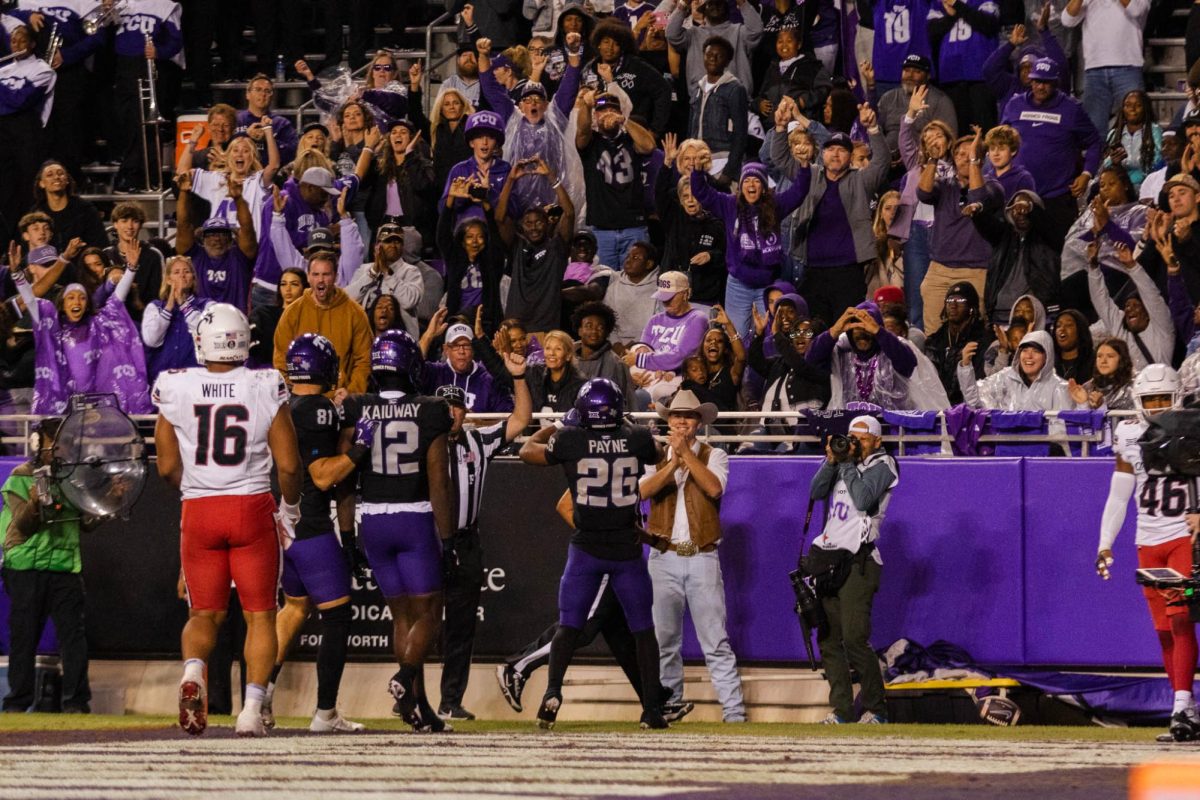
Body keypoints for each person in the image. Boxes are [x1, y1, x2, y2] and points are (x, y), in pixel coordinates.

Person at [152, 303, 303, 737]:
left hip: (199, 509)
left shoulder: (177, 386)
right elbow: (289, 466)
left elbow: (165, 466)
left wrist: (198, 485)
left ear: (203, 341)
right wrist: (289, 511)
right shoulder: (263, 383)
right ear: (245, 339)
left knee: (203, 613)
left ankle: (193, 670)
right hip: (251, 506)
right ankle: (251, 710)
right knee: (260, 615)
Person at [518, 377, 668, 729]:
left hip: (586, 547)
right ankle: (651, 709)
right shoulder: (636, 438)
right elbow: (658, 453)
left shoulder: (571, 440)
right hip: (626, 550)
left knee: (568, 627)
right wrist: (626, 425)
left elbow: (527, 451)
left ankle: (552, 691)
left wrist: (558, 424)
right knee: (643, 630)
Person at [339, 330, 454, 732]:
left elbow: (345, 476)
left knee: (401, 615)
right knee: (431, 614)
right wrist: (450, 536)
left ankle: (416, 709)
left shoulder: (357, 406)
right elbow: (439, 480)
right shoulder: (430, 409)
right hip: (414, 517)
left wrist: (349, 536)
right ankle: (405, 679)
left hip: (372, 518)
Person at [262, 334, 369, 734]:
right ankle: (325, 713)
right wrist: (359, 448)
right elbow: (322, 476)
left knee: (292, 608)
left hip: (280, 529)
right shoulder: (319, 410)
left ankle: (261, 697)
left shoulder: (281, 405)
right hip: (308, 525)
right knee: (338, 617)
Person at [1095, 365, 1200, 743]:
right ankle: (1185, 709)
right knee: (1162, 631)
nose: (1156, 407)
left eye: (1163, 399)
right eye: (1150, 400)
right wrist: (1105, 542)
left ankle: (1180, 708)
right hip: (1147, 540)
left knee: (1180, 621)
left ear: (1178, 397)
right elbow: (1119, 493)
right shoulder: (1128, 434)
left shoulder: (1193, 428)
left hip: (1181, 538)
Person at [434, 351, 532, 721]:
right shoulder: (421, 442)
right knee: (421, 620)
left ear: (465, 411)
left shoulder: (478, 441)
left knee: (460, 625)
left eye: (457, 407)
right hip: (428, 542)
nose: (451, 413)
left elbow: (521, 419)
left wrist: (518, 378)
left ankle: (449, 700)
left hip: (465, 541)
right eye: (445, 406)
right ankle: (408, 690)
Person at [639, 389, 745, 722]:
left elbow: (714, 488)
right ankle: (670, 707)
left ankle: (734, 714)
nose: (682, 421)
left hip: (701, 556)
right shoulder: (653, 456)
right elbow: (642, 492)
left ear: (698, 422)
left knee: (715, 640)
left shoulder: (715, 455)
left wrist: (687, 455)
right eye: (676, 416)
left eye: (688, 416)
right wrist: (673, 462)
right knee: (664, 640)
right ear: (668, 420)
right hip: (663, 556)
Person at [0, 417, 109, 713]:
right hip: (24, 567)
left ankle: (76, 703)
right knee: (24, 637)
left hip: (64, 566)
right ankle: (16, 702)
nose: (62, 449)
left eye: (66, 443)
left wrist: (107, 503)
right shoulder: (19, 478)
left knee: (73, 638)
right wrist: (35, 503)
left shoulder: (74, 479)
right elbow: (23, 525)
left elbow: (86, 523)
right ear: (39, 445)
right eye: (56, 443)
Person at [807, 414, 897, 725]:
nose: (854, 443)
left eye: (861, 438)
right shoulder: (844, 462)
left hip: (860, 560)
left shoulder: (884, 465)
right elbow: (816, 491)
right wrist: (832, 461)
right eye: (850, 436)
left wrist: (845, 462)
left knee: (855, 637)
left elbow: (862, 497)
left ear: (877, 440)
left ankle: (877, 710)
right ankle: (842, 710)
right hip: (829, 557)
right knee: (829, 639)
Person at [13, 258, 150, 416]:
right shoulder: (53, 326)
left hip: (98, 404)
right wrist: (18, 274)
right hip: (64, 406)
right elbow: (30, 301)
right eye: (71, 297)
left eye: (82, 297)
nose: (76, 301)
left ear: (87, 304)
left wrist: (131, 268)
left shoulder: (98, 324)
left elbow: (118, 298)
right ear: (63, 303)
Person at [1000, 58, 1102, 248]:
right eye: (1037, 81)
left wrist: (1087, 174)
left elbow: (1094, 142)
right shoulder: (1014, 105)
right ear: (1030, 81)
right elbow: (1000, 141)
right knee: (1015, 254)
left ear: (1055, 83)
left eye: (1046, 82)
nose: (1040, 87)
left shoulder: (1071, 109)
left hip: (1057, 197)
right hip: (1018, 195)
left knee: (1056, 255)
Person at [575, 90, 657, 270]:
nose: (608, 114)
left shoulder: (630, 139)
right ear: (595, 116)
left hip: (634, 227)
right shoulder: (591, 142)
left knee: (636, 281)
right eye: (602, 110)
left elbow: (649, 146)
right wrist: (586, 106)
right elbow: (581, 131)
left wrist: (625, 121)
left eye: (613, 110)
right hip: (601, 230)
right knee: (603, 284)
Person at [272, 253, 375, 394]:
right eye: (315, 274)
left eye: (326, 274)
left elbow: (364, 360)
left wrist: (351, 393)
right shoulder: (292, 313)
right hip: (302, 400)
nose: (321, 280)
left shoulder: (355, 313)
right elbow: (281, 360)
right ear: (308, 277)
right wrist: (296, 392)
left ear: (336, 277)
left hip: (341, 402)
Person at [1060, 0, 1148, 137]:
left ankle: (1138, 158)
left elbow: (1136, 10)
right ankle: (1099, 159)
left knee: (1137, 125)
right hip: (1094, 69)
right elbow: (1067, 20)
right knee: (1094, 132)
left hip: (1128, 65)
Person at [142, 256, 213, 383]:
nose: (182, 276)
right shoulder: (155, 307)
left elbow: (207, 333)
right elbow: (151, 340)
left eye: (186, 271)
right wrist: (169, 307)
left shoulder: (207, 305)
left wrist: (183, 304)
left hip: (196, 380)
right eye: (176, 272)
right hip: (163, 382)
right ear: (168, 280)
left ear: (193, 278)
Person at [572, 301, 637, 409]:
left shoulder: (617, 364)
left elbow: (629, 405)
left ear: (607, 332)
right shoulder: (567, 359)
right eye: (588, 326)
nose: (594, 331)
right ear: (579, 330)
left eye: (600, 327)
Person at [1067, 337, 1134, 410]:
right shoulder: (1087, 388)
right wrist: (1083, 404)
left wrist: (1101, 407)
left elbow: (1133, 419)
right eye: (1099, 356)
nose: (1103, 361)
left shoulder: (1133, 388)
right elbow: (1080, 420)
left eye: (1110, 356)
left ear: (1122, 359)